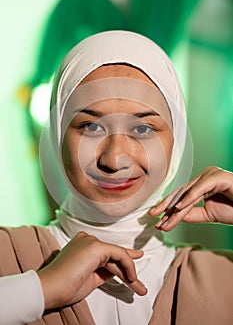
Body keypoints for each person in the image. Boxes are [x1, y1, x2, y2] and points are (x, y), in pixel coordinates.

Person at [0, 30, 233, 325]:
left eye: (143, 129)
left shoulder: (223, 277)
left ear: (176, 141)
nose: (113, 159)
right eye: (91, 126)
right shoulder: (7, 255)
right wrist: (38, 290)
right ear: (58, 134)